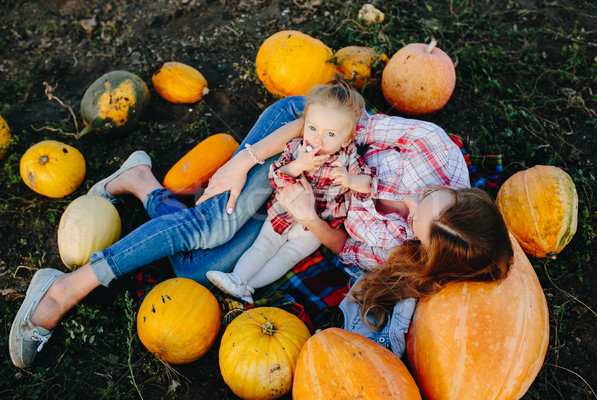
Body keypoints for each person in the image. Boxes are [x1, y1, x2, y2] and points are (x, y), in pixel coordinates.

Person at [9, 91, 513, 369]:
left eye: (414, 222)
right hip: (300, 138)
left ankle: (142, 183)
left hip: (299, 206)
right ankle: (61, 291)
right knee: (209, 227)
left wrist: (308, 215)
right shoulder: (434, 150)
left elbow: (346, 245)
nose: (405, 203)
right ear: (460, 192)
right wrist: (243, 161)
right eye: (426, 197)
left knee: (196, 270)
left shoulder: (406, 255)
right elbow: (335, 122)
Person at [206, 82, 375, 302]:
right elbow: (276, 175)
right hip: (282, 212)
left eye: (330, 134)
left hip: (315, 226)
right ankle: (237, 278)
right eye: (312, 128)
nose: (317, 139)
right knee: (262, 247)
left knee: (286, 257)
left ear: (347, 139)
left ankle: (248, 288)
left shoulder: (348, 159)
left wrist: (352, 180)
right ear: (304, 125)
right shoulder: (296, 148)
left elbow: (369, 184)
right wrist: (298, 166)